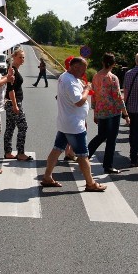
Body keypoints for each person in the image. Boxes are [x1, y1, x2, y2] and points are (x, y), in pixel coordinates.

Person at [40, 57, 106, 191]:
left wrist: (81, 84)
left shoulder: (66, 77)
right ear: (75, 67)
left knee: (57, 149)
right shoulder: (69, 81)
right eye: (83, 69)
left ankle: (47, 177)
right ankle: (91, 183)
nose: (84, 72)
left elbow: (73, 91)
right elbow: (78, 101)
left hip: (66, 123)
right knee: (83, 155)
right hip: (74, 126)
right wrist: (87, 89)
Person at [88, 52, 130, 174]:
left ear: (102, 62)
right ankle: (108, 165)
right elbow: (118, 97)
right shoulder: (113, 78)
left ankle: (85, 156)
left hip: (101, 111)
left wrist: (95, 112)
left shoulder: (96, 76)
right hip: (112, 112)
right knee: (111, 139)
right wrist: (126, 114)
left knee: (101, 136)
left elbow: (94, 95)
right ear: (114, 64)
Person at [3, 48, 31, 162]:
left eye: (23, 57)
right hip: (13, 103)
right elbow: (10, 89)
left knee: (10, 127)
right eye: (20, 57)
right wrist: (15, 105)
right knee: (23, 126)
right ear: (14, 57)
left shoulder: (15, 70)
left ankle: (8, 152)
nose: (22, 59)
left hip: (11, 103)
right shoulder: (12, 70)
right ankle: (20, 153)